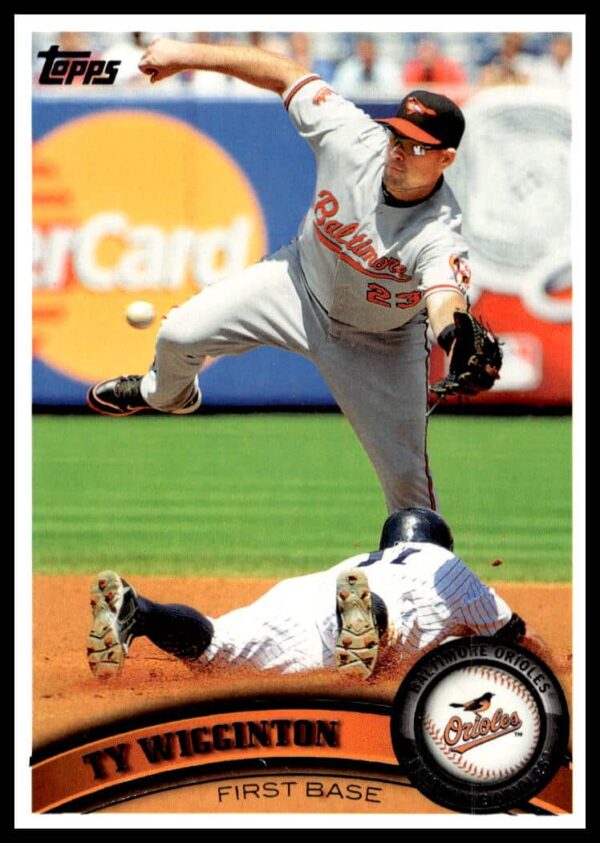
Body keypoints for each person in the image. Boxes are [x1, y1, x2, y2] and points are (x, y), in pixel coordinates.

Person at [87, 37, 498, 513]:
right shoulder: (351, 136)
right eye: (396, 136)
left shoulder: (438, 230)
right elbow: (283, 73)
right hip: (296, 287)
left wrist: (454, 336)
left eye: (416, 147)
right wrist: (185, 53)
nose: (398, 151)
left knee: (411, 493)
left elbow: (445, 297)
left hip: (381, 344)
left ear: (446, 158)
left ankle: (432, 583)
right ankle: (165, 395)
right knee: (179, 333)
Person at [87, 507, 531, 681]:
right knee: (398, 624)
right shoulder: (444, 567)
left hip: (305, 594)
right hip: (383, 602)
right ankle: (368, 616)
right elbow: (509, 633)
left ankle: (140, 610)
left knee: (214, 647)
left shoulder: (362, 558)